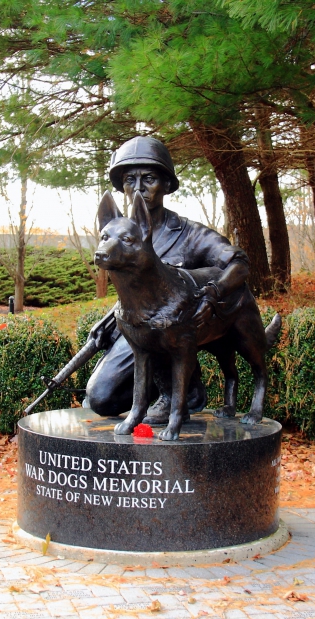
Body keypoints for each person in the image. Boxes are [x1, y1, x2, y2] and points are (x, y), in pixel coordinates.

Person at [83, 136, 251, 422]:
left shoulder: (190, 234)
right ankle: (171, 391)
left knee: (161, 329)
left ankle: (177, 393)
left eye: (148, 178)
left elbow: (239, 263)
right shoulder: (115, 232)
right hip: (136, 325)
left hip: (173, 327)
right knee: (99, 398)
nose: (138, 188)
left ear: (167, 184)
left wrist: (213, 292)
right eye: (129, 180)